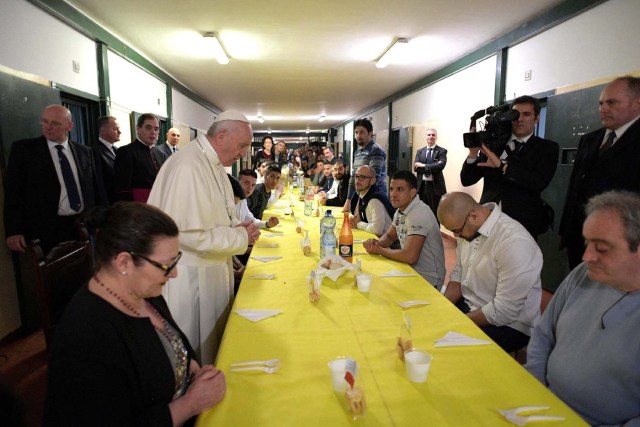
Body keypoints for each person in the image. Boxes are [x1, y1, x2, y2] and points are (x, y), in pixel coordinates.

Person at [45, 202, 226, 426]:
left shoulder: (143, 292)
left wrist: (192, 369)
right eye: (167, 265)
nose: (175, 273)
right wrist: (191, 403)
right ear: (124, 262)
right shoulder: (86, 337)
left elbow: (171, 345)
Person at [147, 110, 260, 364]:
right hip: (190, 278)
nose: (244, 152)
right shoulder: (189, 165)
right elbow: (187, 235)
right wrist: (241, 237)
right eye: (242, 145)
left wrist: (239, 227)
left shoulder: (214, 164)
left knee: (217, 349)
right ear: (221, 136)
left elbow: (218, 214)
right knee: (197, 353)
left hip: (212, 271)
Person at [526, 191, 640, 426]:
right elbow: (543, 334)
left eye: (602, 248)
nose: (586, 256)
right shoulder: (582, 275)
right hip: (539, 405)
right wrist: (533, 392)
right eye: (587, 242)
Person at [438, 191, 542, 352]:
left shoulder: (514, 241)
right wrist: (442, 307)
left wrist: (457, 322)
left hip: (510, 324)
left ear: (474, 216)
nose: (455, 236)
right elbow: (458, 274)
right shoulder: (469, 228)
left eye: (457, 231)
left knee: (447, 350)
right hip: (472, 304)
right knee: (428, 326)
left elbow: (504, 310)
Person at [559, 76, 640, 269]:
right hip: (579, 237)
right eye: (601, 103)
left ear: (637, 104)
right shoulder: (590, 139)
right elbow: (575, 188)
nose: (603, 109)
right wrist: (565, 230)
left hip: (618, 245)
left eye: (611, 103)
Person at [4, 105, 106, 254]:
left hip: (81, 226)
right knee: (50, 274)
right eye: (45, 122)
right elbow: (13, 192)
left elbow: (97, 190)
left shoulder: (85, 152)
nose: (48, 127)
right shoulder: (25, 150)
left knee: (84, 271)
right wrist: (13, 230)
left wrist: (102, 222)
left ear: (69, 126)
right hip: (43, 230)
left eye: (55, 123)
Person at [460, 95, 559, 240]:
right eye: (516, 114)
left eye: (527, 114)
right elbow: (467, 180)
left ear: (536, 118)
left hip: (521, 224)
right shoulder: (494, 145)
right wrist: (473, 153)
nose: (520, 119)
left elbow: (538, 183)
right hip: (486, 220)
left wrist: (502, 166)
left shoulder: (547, 148)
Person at [363, 171, 445, 289]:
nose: (393, 194)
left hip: (428, 279)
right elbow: (391, 236)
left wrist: (380, 250)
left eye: (400, 189)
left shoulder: (418, 213)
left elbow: (410, 256)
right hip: (410, 270)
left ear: (412, 192)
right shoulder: (401, 210)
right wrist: (377, 243)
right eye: (391, 189)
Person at [114, 113, 167, 203]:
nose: (153, 132)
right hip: (139, 206)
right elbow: (122, 188)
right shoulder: (126, 151)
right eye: (148, 128)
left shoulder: (160, 153)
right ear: (138, 129)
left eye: (156, 129)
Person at [348, 118, 387, 201]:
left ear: (370, 134)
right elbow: (353, 177)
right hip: (362, 195)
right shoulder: (357, 152)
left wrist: (362, 202)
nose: (358, 136)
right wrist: (348, 200)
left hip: (375, 197)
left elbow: (374, 178)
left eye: (362, 132)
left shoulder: (376, 150)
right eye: (356, 133)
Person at [349, 165, 394, 237]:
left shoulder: (374, 200)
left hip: (388, 244)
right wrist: (355, 220)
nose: (357, 180)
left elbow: (377, 230)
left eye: (362, 177)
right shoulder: (363, 194)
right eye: (356, 176)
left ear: (372, 181)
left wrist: (358, 224)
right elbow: (357, 217)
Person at [414, 128, 447, 222]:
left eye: (433, 135)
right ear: (426, 137)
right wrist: (433, 166)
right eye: (429, 135)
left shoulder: (442, 151)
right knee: (421, 212)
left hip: (435, 187)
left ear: (436, 137)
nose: (431, 137)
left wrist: (423, 165)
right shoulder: (420, 152)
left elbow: (441, 166)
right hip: (422, 187)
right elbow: (416, 168)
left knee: (435, 213)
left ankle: (435, 234)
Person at [94, 116, 121, 205]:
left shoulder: (118, 150)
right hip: (107, 202)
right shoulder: (94, 151)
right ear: (104, 130)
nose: (119, 132)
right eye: (115, 129)